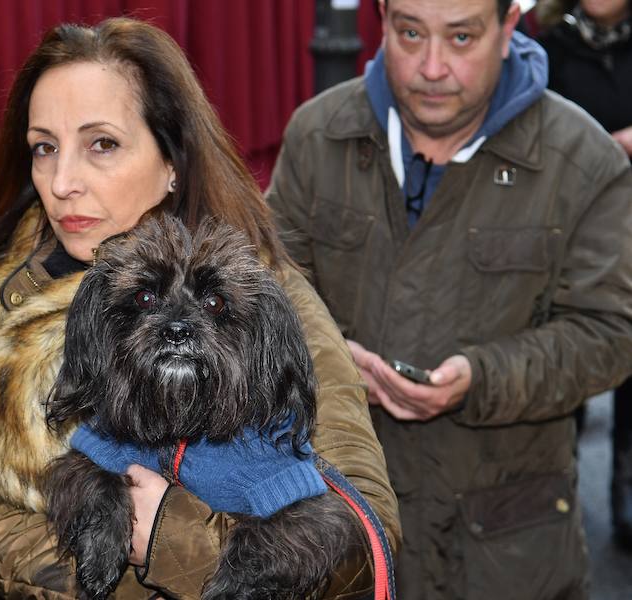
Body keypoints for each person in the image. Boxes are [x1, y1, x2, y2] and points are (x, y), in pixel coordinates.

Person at [0, 17, 400, 600]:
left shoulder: (263, 299)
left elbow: (362, 551)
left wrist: (165, 541)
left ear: (172, 161)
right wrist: (100, 565)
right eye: (45, 148)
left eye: (102, 144)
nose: (62, 180)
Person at [266, 0, 632, 598]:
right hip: (341, 533)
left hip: (509, 553)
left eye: (461, 38)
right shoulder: (317, 134)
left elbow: (610, 335)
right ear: (380, 17)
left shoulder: (584, 163)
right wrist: (326, 357)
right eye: (410, 33)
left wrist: (482, 378)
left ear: (509, 25)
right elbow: (269, 291)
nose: (431, 67)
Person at [537, 0, 632, 552]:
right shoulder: (549, 46)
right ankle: (555, 493)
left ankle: (626, 496)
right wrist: (607, 149)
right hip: (564, 233)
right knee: (560, 366)